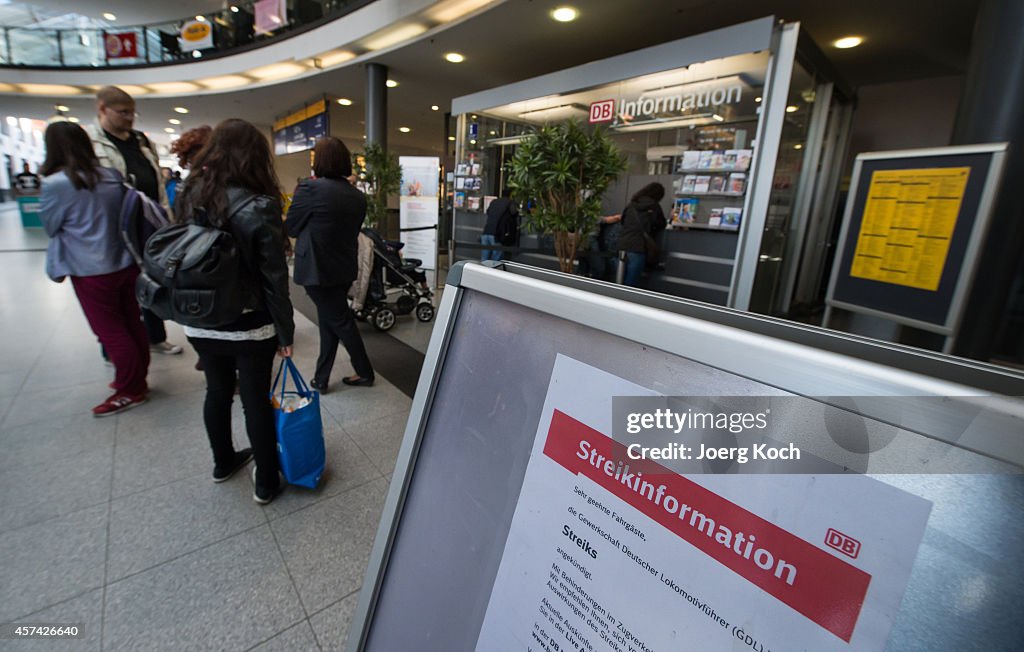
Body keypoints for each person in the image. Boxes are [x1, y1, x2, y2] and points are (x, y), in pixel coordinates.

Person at [175, 118, 294, 505]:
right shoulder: (260, 204)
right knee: (255, 399)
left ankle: (222, 462)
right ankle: (267, 482)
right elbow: (274, 277)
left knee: (217, 390)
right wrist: (285, 332)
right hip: (249, 323)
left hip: (200, 316)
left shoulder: (189, 192)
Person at [39, 121, 150, 417]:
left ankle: (130, 389)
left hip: (89, 270)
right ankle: (136, 378)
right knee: (132, 322)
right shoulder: (111, 175)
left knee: (110, 330)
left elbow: (50, 227)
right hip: (125, 262)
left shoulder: (56, 184)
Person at [84, 85, 183, 356]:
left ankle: (155, 336)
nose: (129, 118)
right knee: (118, 286)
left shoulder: (140, 141)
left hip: (148, 222)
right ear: (102, 109)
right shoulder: (89, 141)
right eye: (123, 112)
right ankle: (115, 347)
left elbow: (159, 186)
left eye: (132, 112)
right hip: (113, 226)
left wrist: (167, 221)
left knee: (152, 279)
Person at [286, 136, 375, 392]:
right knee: (330, 321)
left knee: (340, 321)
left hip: (316, 269)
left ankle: (365, 371)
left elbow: (292, 227)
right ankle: (321, 378)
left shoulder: (309, 189)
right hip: (344, 267)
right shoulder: (357, 196)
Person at [617, 183, 667, 287]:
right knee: (631, 282)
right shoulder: (654, 206)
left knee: (619, 279)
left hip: (623, 244)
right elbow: (661, 224)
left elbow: (623, 221)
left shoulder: (631, 204)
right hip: (638, 246)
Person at [481, 188, 518, 262]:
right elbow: (514, 213)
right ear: (510, 195)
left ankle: (481, 273)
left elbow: (488, 212)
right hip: (497, 234)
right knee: (496, 260)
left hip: (486, 231)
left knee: (484, 258)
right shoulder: (509, 202)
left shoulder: (494, 201)